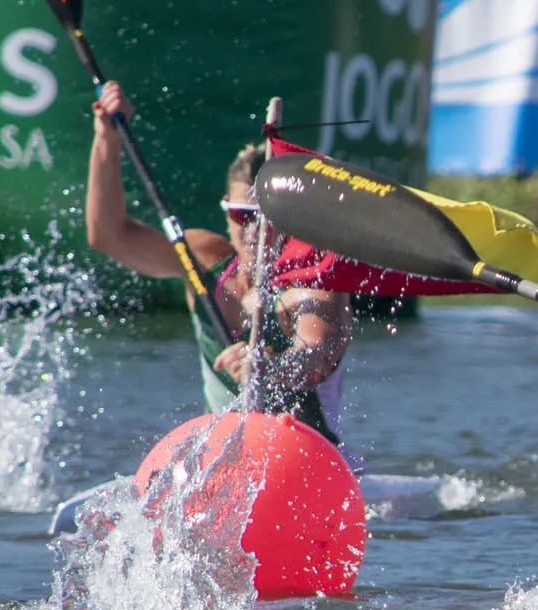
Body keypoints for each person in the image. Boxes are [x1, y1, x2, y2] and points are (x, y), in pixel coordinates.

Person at [83, 81, 352, 446]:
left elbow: (316, 358)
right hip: (226, 457)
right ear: (226, 210)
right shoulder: (203, 259)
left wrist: (268, 366)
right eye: (244, 215)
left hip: (310, 460)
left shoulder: (314, 281)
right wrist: (106, 139)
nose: (257, 230)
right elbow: (109, 236)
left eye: (271, 216)